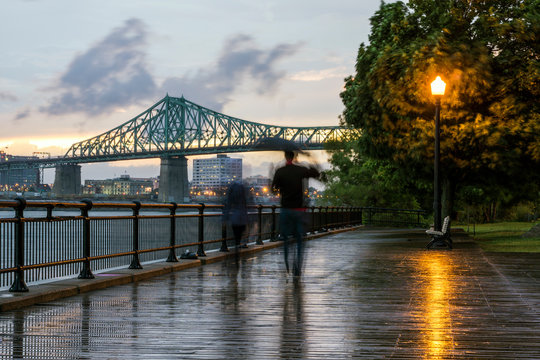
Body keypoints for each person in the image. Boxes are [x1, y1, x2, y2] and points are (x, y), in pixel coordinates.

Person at [272, 150, 320, 277]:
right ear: (294, 156)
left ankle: (287, 264)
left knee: (286, 238)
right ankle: (297, 267)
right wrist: (311, 159)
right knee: (299, 239)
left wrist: (279, 184)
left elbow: (273, 189)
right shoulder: (300, 170)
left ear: (285, 156)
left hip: (286, 209)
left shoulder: (280, 171)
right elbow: (316, 173)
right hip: (299, 210)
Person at [223, 181, 250, 267]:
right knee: (240, 237)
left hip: (234, 218)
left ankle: (236, 252)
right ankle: (238, 249)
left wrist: (225, 218)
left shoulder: (232, 194)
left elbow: (228, 206)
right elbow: (248, 204)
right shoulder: (244, 194)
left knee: (236, 237)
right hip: (243, 218)